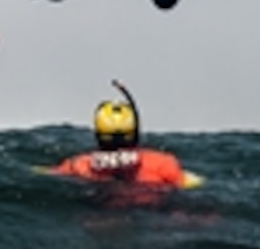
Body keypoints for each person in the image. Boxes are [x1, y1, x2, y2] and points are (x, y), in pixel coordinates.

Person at [47, 80, 204, 189]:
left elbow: (45, 175)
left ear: (99, 135)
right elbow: (195, 184)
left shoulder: (76, 166)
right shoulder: (163, 164)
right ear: (134, 132)